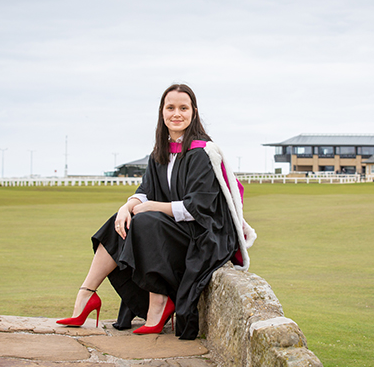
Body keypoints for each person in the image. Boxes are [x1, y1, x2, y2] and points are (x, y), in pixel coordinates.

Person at [57, 84, 255, 340]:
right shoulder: (160, 152)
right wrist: (126, 206)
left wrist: (152, 207)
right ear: (162, 112)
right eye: (170, 107)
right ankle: (86, 295)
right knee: (120, 223)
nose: (176, 114)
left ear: (193, 112)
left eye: (183, 108)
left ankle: (158, 304)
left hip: (203, 235)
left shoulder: (202, 152)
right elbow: (145, 190)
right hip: (174, 229)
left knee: (145, 220)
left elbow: (198, 207)